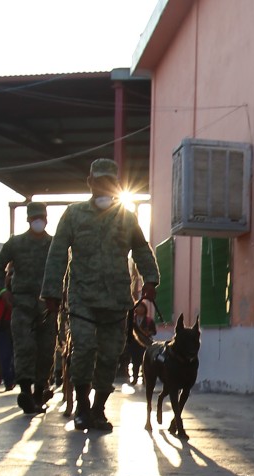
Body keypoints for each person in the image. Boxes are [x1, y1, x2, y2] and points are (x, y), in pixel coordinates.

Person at [41, 158, 159, 432]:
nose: (105, 185)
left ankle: (98, 409)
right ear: (90, 182)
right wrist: (51, 292)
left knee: (109, 355)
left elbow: (141, 249)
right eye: (100, 180)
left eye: (110, 181)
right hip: (82, 296)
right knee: (83, 348)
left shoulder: (126, 216)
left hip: (117, 298)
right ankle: (82, 406)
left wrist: (150, 279)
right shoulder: (73, 214)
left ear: (116, 184)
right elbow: (57, 253)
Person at [0, 202, 58, 414]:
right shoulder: (15, 243)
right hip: (22, 303)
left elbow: (68, 269)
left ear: (46, 219)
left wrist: (62, 296)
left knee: (46, 349)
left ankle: (40, 391)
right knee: (24, 346)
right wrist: (2, 292)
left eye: (41, 217)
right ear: (28, 220)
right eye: (34, 217)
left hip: (48, 304)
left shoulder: (55, 244)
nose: (38, 221)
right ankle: (26, 391)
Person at [124, 294, 157, 386]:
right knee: (135, 361)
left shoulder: (149, 320)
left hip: (145, 344)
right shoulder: (131, 320)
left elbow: (154, 331)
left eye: (141, 307)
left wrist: (149, 332)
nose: (140, 309)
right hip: (133, 343)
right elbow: (127, 330)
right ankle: (134, 378)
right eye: (138, 307)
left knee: (145, 362)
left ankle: (144, 379)